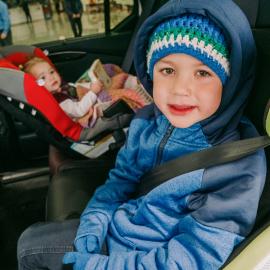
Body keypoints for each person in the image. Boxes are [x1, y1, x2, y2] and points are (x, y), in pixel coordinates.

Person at [17, 0, 267, 269]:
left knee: (31, 250)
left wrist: (102, 266)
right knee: (28, 241)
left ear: (229, 82)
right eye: (168, 70)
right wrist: (96, 218)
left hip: (148, 256)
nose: (180, 89)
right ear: (150, 74)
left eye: (203, 73)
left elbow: (192, 258)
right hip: (119, 227)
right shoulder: (147, 122)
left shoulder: (238, 167)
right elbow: (121, 179)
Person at [23, 57, 104, 122]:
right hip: (84, 113)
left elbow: (77, 87)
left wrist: (90, 85)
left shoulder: (63, 87)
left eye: (51, 72)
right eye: (43, 78)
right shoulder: (59, 101)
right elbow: (79, 111)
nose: (51, 77)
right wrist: (93, 92)